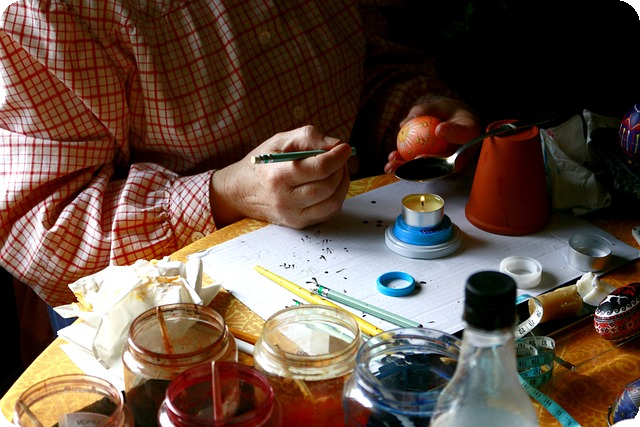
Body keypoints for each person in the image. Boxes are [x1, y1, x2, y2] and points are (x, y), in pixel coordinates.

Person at [0, 0, 480, 361]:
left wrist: (414, 118)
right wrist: (227, 193)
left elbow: (368, 65)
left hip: (354, 257)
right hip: (167, 323)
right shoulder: (46, 12)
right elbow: (43, 231)